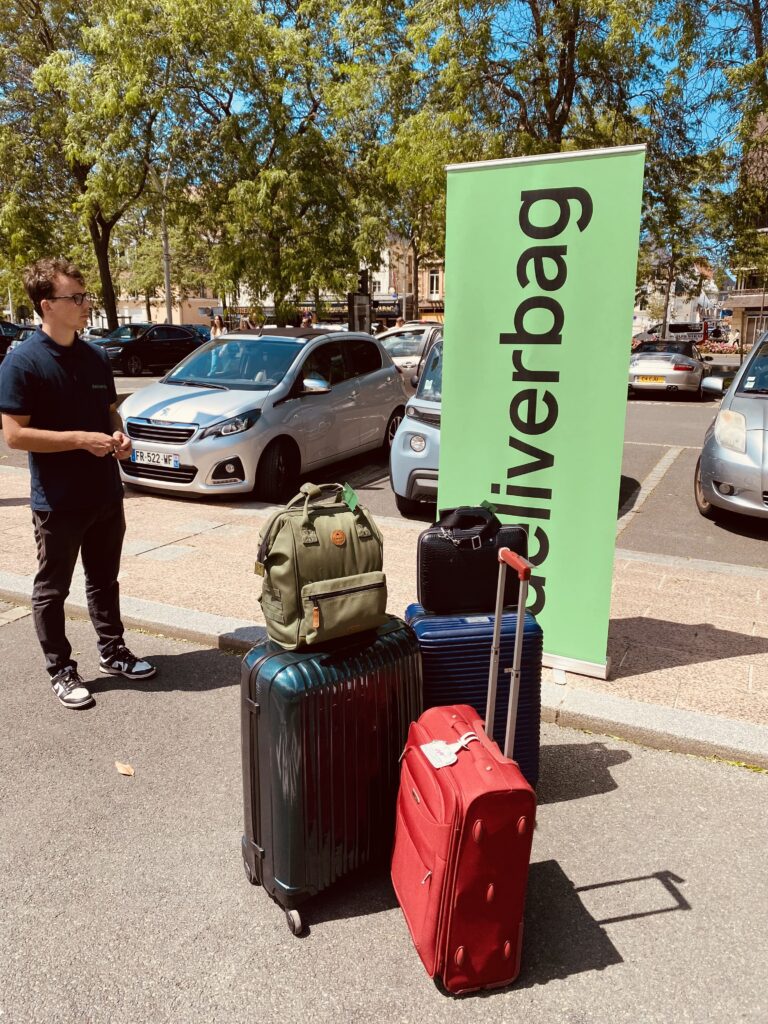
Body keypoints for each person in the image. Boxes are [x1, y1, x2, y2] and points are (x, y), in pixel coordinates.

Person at [0, 258, 156, 709]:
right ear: (46, 305)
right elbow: (14, 436)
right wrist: (80, 440)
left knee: (104, 580)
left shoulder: (96, 357)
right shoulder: (22, 363)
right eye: (76, 297)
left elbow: (109, 414)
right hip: (58, 501)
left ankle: (113, 651)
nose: (86, 304)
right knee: (53, 589)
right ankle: (61, 669)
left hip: (106, 493)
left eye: (85, 296)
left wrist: (119, 437)